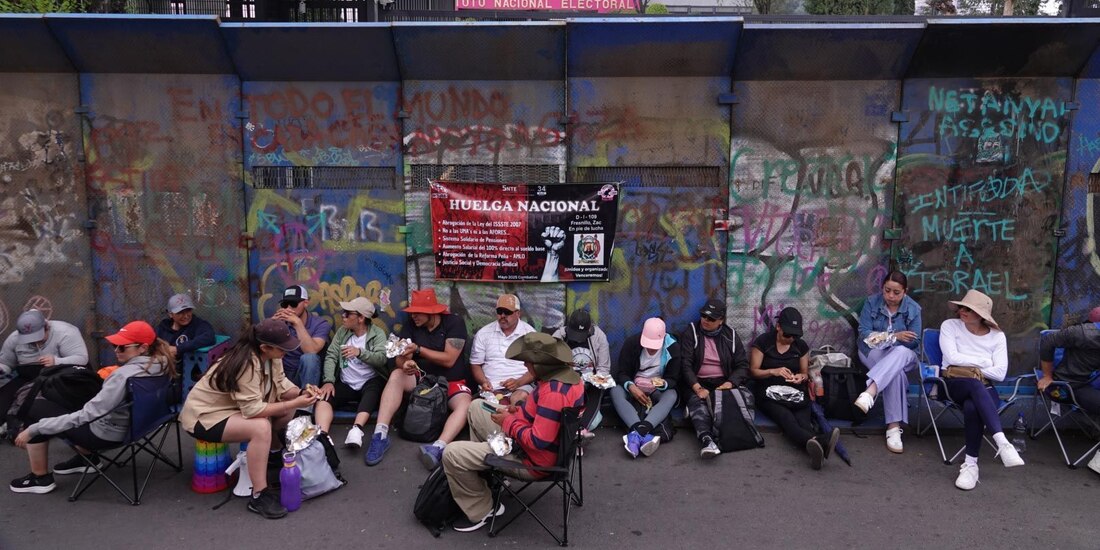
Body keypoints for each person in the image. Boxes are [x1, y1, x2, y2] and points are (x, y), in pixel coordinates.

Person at [442, 332, 586, 533]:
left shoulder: (553, 393)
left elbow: (537, 441)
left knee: (452, 453)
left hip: (532, 460)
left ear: (542, 365)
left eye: (528, 362)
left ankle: (482, 510)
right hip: (540, 447)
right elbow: (542, 418)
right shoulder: (569, 380)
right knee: (476, 407)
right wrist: (516, 411)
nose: (525, 367)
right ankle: (486, 477)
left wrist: (509, 421)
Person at [9, 321, 173, 494]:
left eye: (122, 347)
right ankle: (86, 459)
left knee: (35, 407)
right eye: (114, 346)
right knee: (72, 401)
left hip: (103, 435)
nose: (116, 351)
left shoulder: (122, 376)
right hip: (139, 426)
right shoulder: (162, 364)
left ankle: (40, 478)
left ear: (143, 348)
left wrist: (35, 429)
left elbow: (86, 416)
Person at [180, 318, 320, 519]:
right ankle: (259, 495)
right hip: (205, 417)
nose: (286, 352)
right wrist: (295, 403)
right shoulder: (245, 363)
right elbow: (253, 411)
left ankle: (270, 456)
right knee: (260, 427)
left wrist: (301, 392)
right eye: (282, 349)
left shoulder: (272, 356)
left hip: (232, 409)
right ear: (264, 347)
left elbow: (281, 384)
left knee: (286, 412)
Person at [364, 288, 471, 470]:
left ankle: (438, 447)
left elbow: (449, 359)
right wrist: (404, 364)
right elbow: (399, 356)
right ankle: (380, 434)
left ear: (433, 312)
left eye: (418, 313)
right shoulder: (411, 325)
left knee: (465, 404)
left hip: (451, 382)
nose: (414, 317)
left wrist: (418, 350)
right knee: (397, 375)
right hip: (422, 379)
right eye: (412, 312)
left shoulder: (454, 322)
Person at [939, 289, 1024, 491]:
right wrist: (984, 362)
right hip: (952, 384)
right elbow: (952, 359)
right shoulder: (950, 326)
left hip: (985, 388)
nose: (963, 311)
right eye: (962, 307)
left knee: (972, 406)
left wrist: (972, 365)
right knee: (976, 385)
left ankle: (971, 466)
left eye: (969, 309)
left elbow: (1001, 373)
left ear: (982, 315)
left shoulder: (997, 336)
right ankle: (1002, 442)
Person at [749, 307, 839, 470]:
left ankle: (816, 450)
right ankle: (821, 441)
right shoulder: (763, 342)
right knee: (787, 419)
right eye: (787, 335)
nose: (790, 339)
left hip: (794, 391)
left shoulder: (800, 346)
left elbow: (804, 373)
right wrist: (773, 371)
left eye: (794, 335)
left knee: (804, 421)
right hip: (768, 392)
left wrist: (800, 377)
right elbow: (753, 371)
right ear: (778, 327)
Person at [854, 270, 922, 453]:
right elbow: (865, 334)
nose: (891, 296)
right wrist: (894, 337)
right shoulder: (871, 303)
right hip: (872, 352)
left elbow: (914, 341)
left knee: (900, 352)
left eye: (896, 292)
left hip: (905, 355)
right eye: (887, 290)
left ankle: (870, 391)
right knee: (895, 373)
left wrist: (892, 341)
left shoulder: (914, 309)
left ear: (905, 291)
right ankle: (893, 428)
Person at [313, 297, 389, 449]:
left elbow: (381, 358)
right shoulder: (342, 332)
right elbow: (331, 356)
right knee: (324, 397)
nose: (343, 316)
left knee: (373, 391)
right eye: (343, 312)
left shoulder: (377, 334)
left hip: (369, 380)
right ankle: (322, 435)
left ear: (361, 318)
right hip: (346, 382)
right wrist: (328, 381)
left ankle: (357, 429)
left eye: (348, 313)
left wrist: (360, 352)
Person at [0, 310, 89, 437]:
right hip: (28, 375)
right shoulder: (14, 339)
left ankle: (24, 427)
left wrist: (57, 361)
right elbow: (7, 363)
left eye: (38, 337)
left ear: (47, 327)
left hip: (60, 376)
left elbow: (82, 359)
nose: (35, 342)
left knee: (32, 403)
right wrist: (2, 369)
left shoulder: (66, 332)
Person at [679, 299, 750, 459]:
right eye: (703, 316)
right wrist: (697, 387)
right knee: (699, 405)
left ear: (721, 321)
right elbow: (686, 365)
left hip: (722, 382)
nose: (705, 320)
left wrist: (729, 383)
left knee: (740, 399)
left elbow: (742, 365)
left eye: (711, 319)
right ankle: (707, 440)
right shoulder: (692, 332)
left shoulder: (730, 335)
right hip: (697, 382)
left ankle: (726, 436)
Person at [1038, 306, 1100, 474]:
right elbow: (1048, 341)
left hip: (1089, 383)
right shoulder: (1081, 333)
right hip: (1067, 385)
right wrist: (1047, 375)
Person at [610, 317, 680, 458]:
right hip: (634, 385)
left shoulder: (673, 347)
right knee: (615, 391)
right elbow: (622, 373)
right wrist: (630, 386)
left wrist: (663, 383)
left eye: (655, 345)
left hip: (656, 389)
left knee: (672, 395)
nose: (651, 348)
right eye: (648, 344)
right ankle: (641, 432)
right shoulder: (632, 343)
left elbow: (673, 378)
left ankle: (639, 432)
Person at [552, 309, 611, 436]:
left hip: (590, 382)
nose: (578, 340)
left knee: (598, 388)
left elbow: (604, 369)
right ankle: (562, 427)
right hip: (567, 380)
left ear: (589, 329)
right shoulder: (559, 336)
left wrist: (596, 379)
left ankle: (581, 429)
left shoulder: (599, 337)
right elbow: (552, 366)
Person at [469, 294, 536, 405]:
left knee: (520, 400)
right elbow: (475, 365)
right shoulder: (484, 333)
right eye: (500, 312)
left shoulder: (530, 334)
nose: (503, 316)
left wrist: (518, 382)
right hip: (491, 388)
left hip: (522, 386)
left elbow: (537, 368)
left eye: (507, 312)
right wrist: (484, 382)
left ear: (518, 313)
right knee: (491, 406)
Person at [272, 285, 331, 389]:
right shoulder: (280, 321)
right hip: (282, 374)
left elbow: (311, 350)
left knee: (310, 358)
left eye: (294, 304)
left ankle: (307, 401)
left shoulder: (320, 324)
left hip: (306, 374)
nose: (289, 308)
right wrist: (271, 325)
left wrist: (297, 323)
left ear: (306, 303)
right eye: (285, 304)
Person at [155, 293, 216, 360]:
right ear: (170, 314)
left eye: (188, 311)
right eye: (180, 312)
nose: (186, 316)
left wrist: (178, 349)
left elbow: (209, 337)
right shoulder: (162, 328)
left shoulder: (198, 324)